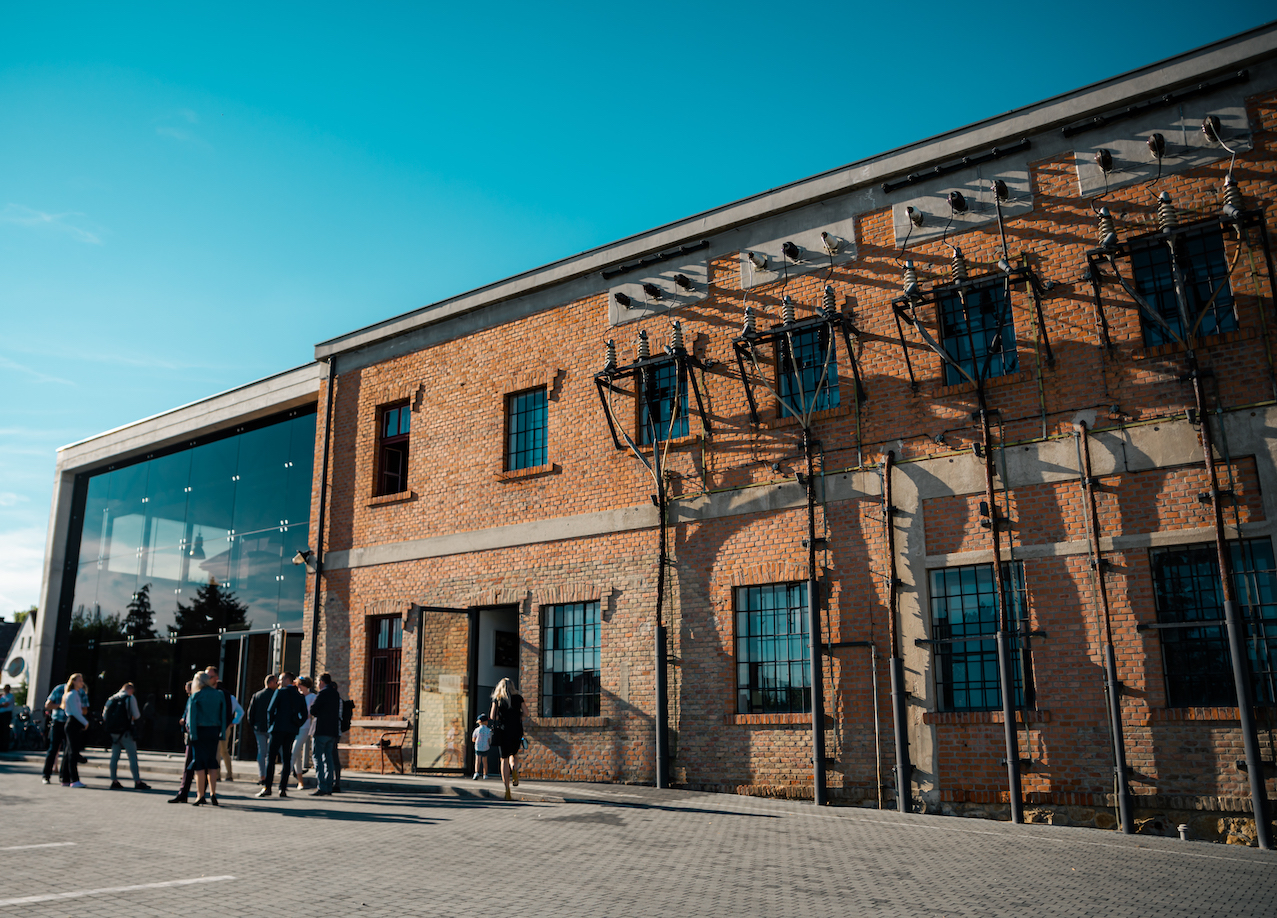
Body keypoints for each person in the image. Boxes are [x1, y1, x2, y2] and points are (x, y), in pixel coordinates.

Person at [259, 671, 308, 798]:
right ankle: (283, 788)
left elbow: (270, 710)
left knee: (271, 758)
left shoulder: (280, 692)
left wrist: (271, 725)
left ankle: (268, 787)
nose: (279, 682)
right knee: (286, 759)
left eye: (280, 680)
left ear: (287, 680)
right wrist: (297, 724)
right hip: (291, 730)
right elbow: (304, 714)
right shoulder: (299, 695)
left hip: (277, 729)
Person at [184, 671, 227, 806]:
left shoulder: (196, 696)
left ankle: (200, 794)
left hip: (200, 731)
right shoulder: (219, 694)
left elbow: (192, 717)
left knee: (200, 764)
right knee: (212, 762)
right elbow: (223, 714)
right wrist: (222, 733)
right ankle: (213, 793)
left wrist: (192, 735)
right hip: (214, 730)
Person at [103, 682, 150, 790]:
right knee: (132, 756)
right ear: (131, 690)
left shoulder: (112, 698)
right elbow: (136, 715)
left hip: (114, 732)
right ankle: (137, 781)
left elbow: (104, 716)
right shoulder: (130, 698)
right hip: (126, 732)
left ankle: (114, 780)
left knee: (114, 756)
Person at [489, 678, 528, 801]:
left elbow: (492, 716)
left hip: (503, 731)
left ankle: (507, 790)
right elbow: (526, 712)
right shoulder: (518, 698)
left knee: (504, 759)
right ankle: (514, 769)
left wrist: (500, 717)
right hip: (516, 730)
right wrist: (519, 716)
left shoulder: (498, 699)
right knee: (514, 754)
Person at [309, 673, 340, 796]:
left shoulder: (322, 693)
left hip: (321, 729)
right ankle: (328, 785)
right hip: (332, 731)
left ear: (321, 682)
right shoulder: (335, 694)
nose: (317, 685)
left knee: (318, 757)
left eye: (317, 682)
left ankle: (321, 786)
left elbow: (313, 710)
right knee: (328, 758)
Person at [246, 673, 279, 785]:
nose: (277, 684)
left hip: (259, 728)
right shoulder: (276, 695)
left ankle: (262, 776)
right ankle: (269, 776)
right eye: (276, 682)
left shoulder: (257, 695)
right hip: (272, 728)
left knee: (261, 752)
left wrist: (254, 725)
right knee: (271, 753)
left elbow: (250, 713)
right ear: (270, 683)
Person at [168, 680, 197, 804]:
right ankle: (186, 792)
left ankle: (189, 793)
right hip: (192, 733)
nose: (186, 691)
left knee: (191, 764)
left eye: (187, 689)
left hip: (194, 734)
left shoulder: (195, 698)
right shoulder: (191, 699)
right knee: (191, 765)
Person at [204, 666, 236, 782]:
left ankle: (228, 774)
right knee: (215, 751)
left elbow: (229, 712)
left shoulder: (224, 694)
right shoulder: (203, 692)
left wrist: (227, 725)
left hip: (223, 726)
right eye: (206, 676)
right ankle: (215, 775)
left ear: (216, 678)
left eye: (210, 677)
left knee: (223, 750)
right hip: (210, 726)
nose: (207, 679)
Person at [59, 673, 89, 788]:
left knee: (69, 751)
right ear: (74, 682)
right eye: (79, 680)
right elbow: (76, 712)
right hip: (73, 722)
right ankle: (74, 779)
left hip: (73, 722)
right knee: (73, 752)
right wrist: (85, 722)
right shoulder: (73, 694)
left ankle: (65, 778)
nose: (82, 682)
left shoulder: (74, 694)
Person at [290, 676, 317, 790]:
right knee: (297, 755)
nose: (299, 687)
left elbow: (313, 711)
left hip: (305, 727)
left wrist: (307, 715)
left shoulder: (312, 697)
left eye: (301, 685)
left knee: (294, 751)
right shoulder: (296, 696)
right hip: (295, 726)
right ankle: (300, 780)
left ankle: (286, 773)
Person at [41, 680, 69, 784]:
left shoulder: (78, 691)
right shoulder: (59, 689)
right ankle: (46, 775)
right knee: (53, 749)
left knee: (68, 750)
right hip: (58, 722)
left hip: (70, 723)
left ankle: (64, 776)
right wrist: (60, 705)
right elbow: (47, 705)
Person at [0, 684, 14, 754]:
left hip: (7, 714)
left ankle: (5, 747)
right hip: (1, 714)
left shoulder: (10, 696)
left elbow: (6, 704)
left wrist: (1, 705)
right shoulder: (2, 696)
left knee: (5, 730)